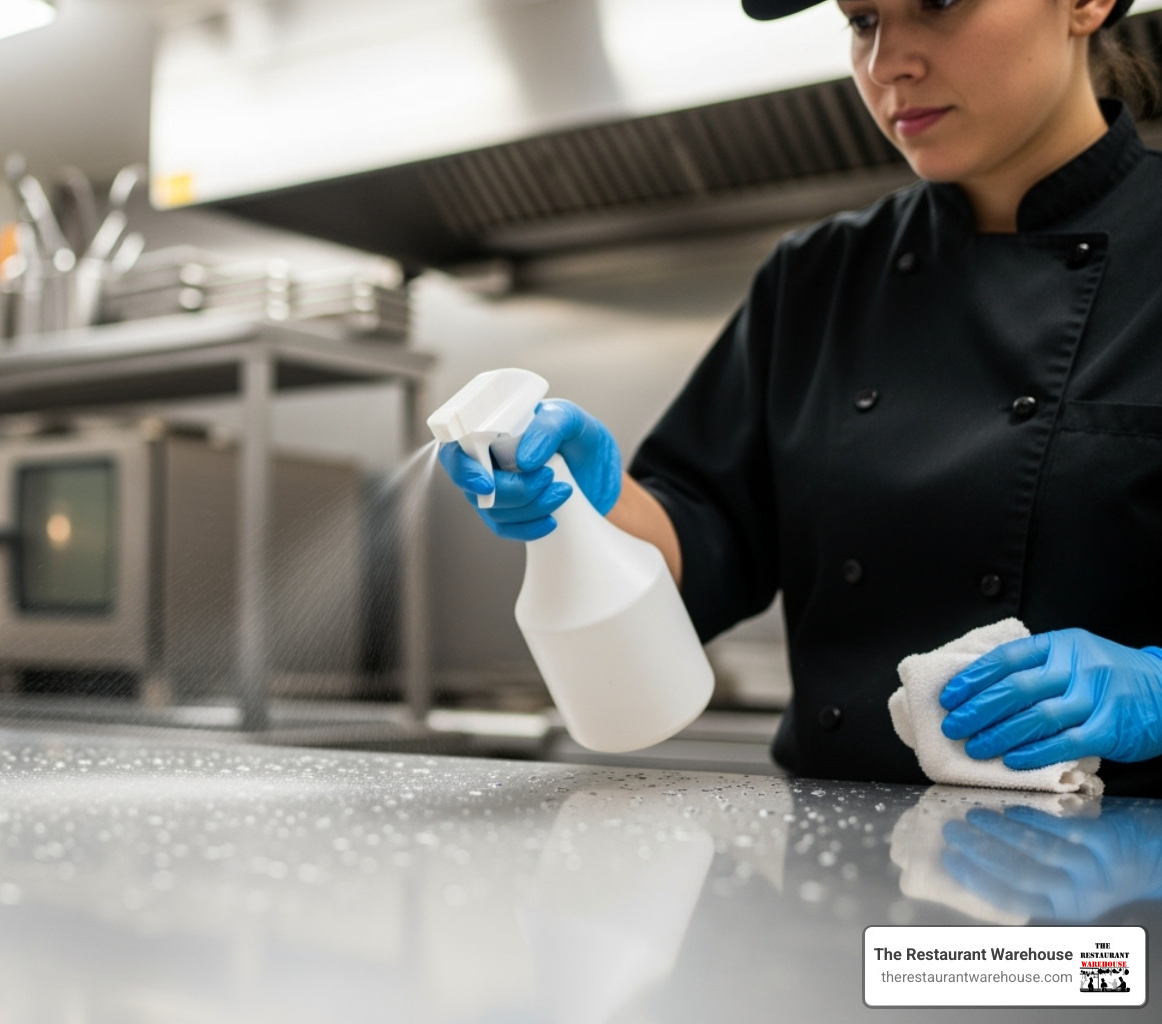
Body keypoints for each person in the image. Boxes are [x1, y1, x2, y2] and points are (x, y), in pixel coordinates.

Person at [438, 0, 1162, 795]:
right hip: (839, 860)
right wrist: (583, 502)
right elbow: (703, 542)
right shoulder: (817, 279)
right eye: (861, 20)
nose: (887, 63)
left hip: (1120, 882)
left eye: (938, 3)